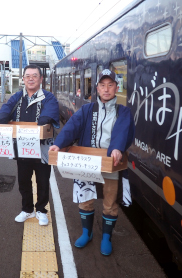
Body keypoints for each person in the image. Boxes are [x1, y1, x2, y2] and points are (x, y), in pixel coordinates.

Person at [49, 69, 135, 255]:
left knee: (110, 202)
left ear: (116, 87)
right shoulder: (87, 109)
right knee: (85, 199)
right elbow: (72, 127)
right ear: (97, 88)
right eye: (102, 85)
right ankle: (86, 233)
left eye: (110, 85)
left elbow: (123, 131)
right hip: (86, 162)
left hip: (111, 162)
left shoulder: (124, 111)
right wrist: (58, 144)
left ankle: (106, 237)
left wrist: (117, 148)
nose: (106, 89)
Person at [0, 65, 59, 226]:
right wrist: (1, 121)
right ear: (23, 79)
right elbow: (4, 112)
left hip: (43, 148)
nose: (31, 78)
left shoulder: (49, 97)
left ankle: (42, 210)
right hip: (22, 147)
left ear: (41, 79)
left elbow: (46, 117)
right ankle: (27, 209)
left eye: (35, 76)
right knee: (23, 180)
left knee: (43, 181)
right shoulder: (17, 97)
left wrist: (37, 125)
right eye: (27, 76)